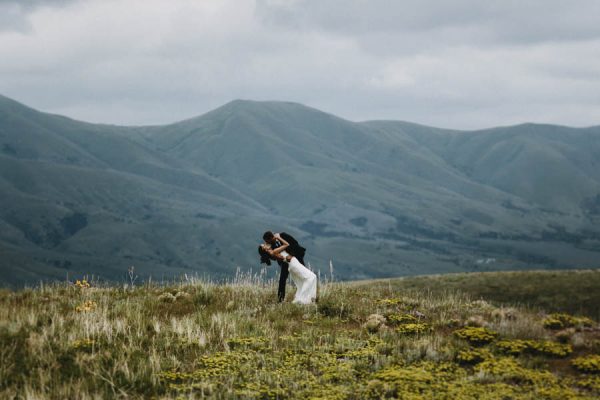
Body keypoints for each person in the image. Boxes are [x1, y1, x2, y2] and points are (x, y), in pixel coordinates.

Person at [258, 234, 316, 304]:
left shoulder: (281, 237)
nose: (265, 243)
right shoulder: (273, 250)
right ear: (265, 249)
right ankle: (301, 298)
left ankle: (308, 297)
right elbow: (287, 245)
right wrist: (279, 238)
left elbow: (294, 244)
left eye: (266, 242)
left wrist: (292, 254)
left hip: (295, 259)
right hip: (290, 262)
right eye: (264, 244)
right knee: (309, 277)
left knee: (302, 279)